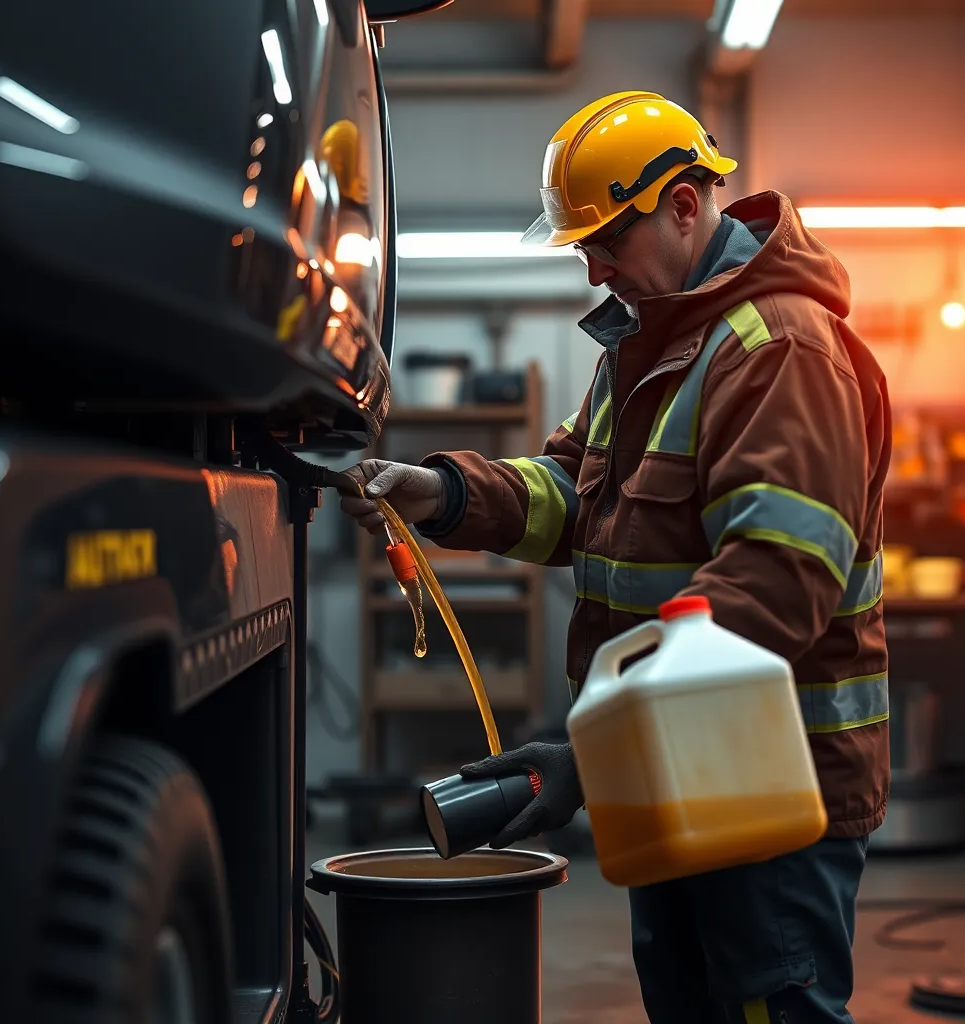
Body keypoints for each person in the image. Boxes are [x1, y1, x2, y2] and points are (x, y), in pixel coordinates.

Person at [339, 91, 891, 1024]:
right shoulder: (649, 346)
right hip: (680, 777)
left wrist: (601, 754)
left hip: (771, 794)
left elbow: (775, 585)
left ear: (685, 205)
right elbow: (570, 498)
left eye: (605, 241)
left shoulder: (782, 351)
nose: (592, 269)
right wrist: (439, 491)